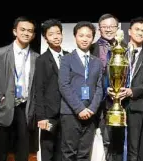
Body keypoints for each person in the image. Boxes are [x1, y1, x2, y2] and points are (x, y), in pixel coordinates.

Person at [106, 17, 143, 161]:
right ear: (129, 31)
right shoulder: (117, 51)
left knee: (134, 146)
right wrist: (108, 88)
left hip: (136, 104)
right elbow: (107, 73)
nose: (140, 33)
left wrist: (131, 91)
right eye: (137, 29)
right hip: (117, 103)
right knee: (115, 145)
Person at [0, 16, 39, 161]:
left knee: (23, 152)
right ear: (15, 31)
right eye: (23, 30)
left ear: (33, 35)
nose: (26, 33)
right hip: (4, 106)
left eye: (30, 31)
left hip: (25, 109)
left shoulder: (37, 58)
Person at [59, 21, 103, 161]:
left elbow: (99, 87)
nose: (85, 39)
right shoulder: (66, 59)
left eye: (88, 36)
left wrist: (92, 109)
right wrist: (79, 109)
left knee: (84, 154)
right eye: (81, 35)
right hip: (70, 112)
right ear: (75, 37)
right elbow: (64, 85)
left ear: (93, 38)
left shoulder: (97, 62)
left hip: (90, 114)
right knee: (69, 153)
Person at [33, 18, 69, 161]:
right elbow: (39, 90)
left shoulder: (68, 56)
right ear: (45, 37)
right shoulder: (41, 60)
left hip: (67, 112)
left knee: (63, 149)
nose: (56, 36)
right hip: (49, 114)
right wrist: (41, 117)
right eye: (51, 34)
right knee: (48, 149)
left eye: (58, 33)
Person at [89, 13, 124, 161]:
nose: (108, 30)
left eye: (112, 26)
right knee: (96, 140)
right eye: (105, 27)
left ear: (118, 28)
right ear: (99, 29)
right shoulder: (90, 48)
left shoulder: (126, 48)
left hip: (120, 101)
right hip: (96, 102)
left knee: (117, 142)